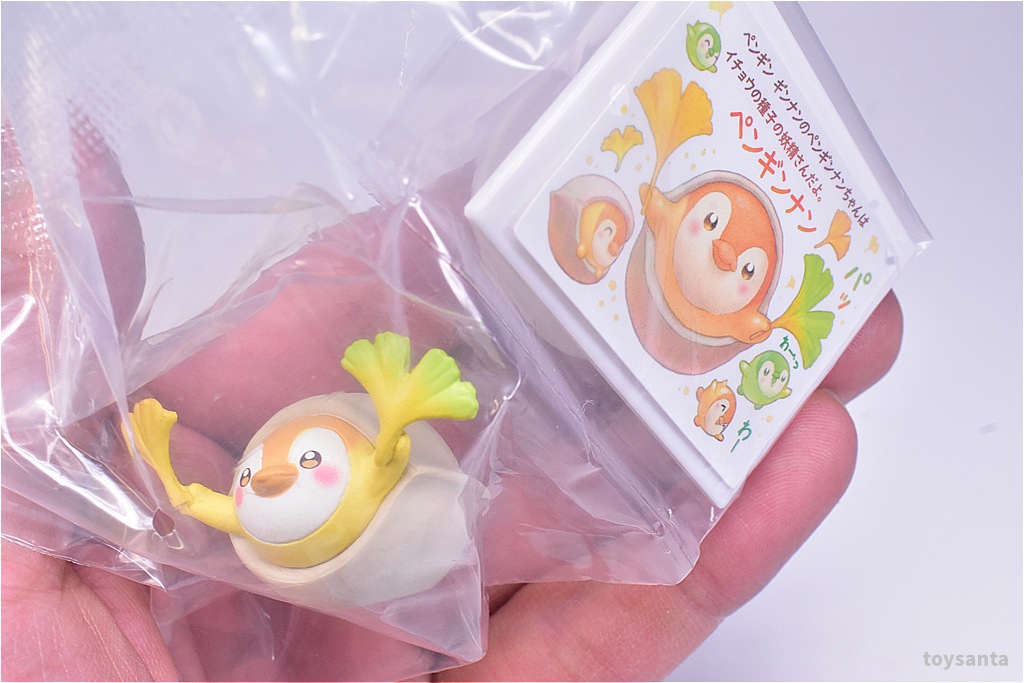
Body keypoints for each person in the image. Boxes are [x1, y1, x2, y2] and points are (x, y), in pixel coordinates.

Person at [0, 117, 904, 681]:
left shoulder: (319, 481)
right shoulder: (262, 507)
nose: (270, 472)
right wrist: (159, 456)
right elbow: (211, 503)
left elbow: (266, 484)